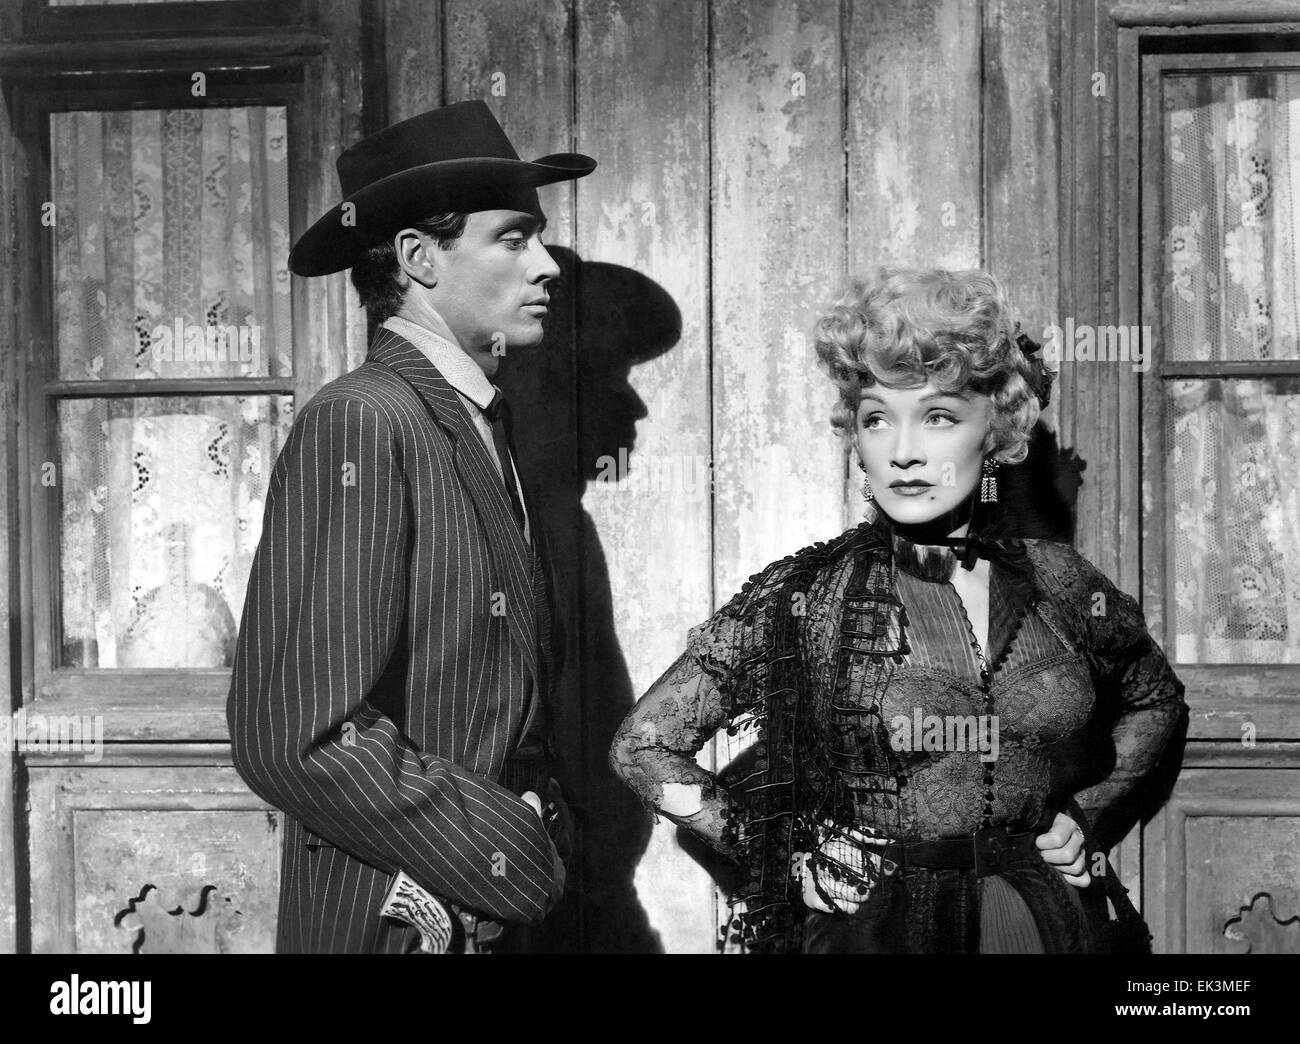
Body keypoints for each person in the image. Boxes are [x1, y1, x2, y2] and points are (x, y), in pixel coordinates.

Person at [609, 267, 1187, 953]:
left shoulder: (1057, 579)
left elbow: (1157, 699)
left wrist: (1085, 813)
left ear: (995, 428)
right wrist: (785, 857)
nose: (903, 452)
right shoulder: (810, 595)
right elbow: (644, 747)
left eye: (937, 416)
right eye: (878, 418)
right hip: (880, 933)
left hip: (1046, 923)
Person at [227, 100, 595, 953]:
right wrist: (506, 846)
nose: (547, 266)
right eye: (512, 238)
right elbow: (295, 734)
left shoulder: (475, 420)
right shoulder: (362, 420)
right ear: (419, 257)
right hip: (391, 918)